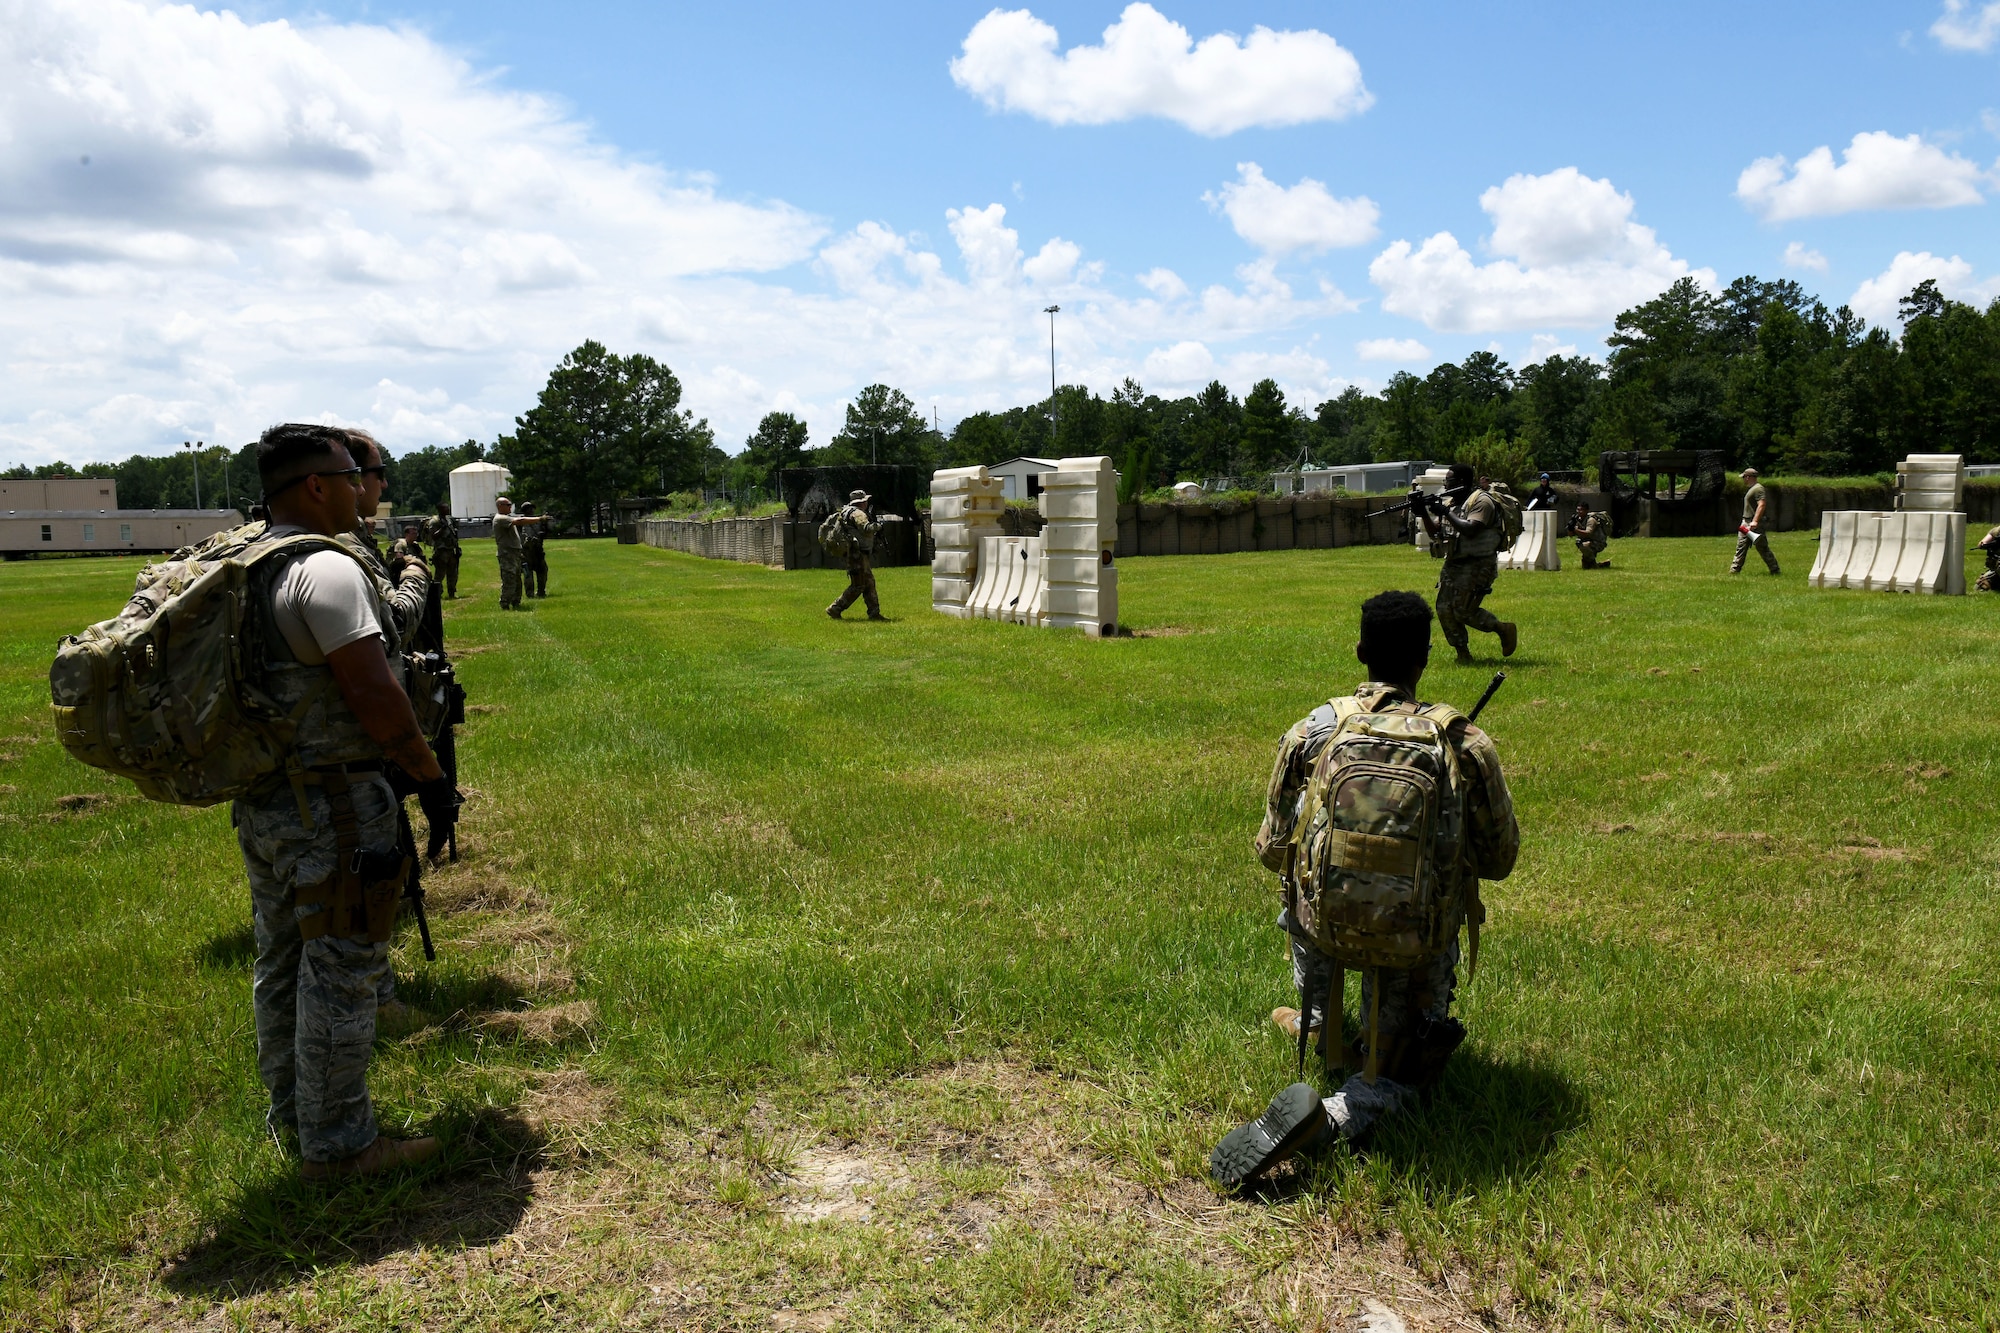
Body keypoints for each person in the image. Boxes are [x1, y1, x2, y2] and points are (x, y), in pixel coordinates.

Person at [1214, 591, 1520, 1186]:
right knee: (1403, 1074)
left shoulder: (1314, 730)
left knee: (1297, 895)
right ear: (1424, 659)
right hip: (1414, 943)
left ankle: (1321, 1018)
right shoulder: (1462, 742)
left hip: (1323, 931)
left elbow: (1272, 849)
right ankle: (1338, 1113)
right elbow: (1500, 859)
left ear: (1360, 653)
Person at [236, 423, 459, 1179]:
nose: (369, 488)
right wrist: (431, 779)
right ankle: (338, 1148)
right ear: (316, 487)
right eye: (353, 472)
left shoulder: (249, 564)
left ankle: (296, 1118)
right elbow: (376, 693)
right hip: (330, 807)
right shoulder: (324, 573)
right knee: (340, 970)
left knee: (284, 961)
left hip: (268, 803)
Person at [1419, 463, 1518, 664]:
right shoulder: (1451, 503)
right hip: (1454, 562)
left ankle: (1503, 628)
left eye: (1450, 481)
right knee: (1444, 608)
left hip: (1479, 564)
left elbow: (1471, 529)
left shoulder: (1482, 502)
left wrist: (1445, 512)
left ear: (1462, 482)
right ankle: (1462, 654)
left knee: (1463, 610)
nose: (1446, 485)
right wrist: (1423, 512)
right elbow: (1435, 532)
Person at [825, 489, 887, 621]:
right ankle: (835, 608)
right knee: (858, 585)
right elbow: (866, 528)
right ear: (862, 502)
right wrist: (878, 526)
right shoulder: (858, 514)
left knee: (869, 582)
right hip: (856, 554)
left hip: (854, 552)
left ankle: (874, 613)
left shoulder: (846, 511)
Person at [491, 496, 543, 610]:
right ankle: (505, 603)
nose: (510, 507)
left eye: (510, 504)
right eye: (508, 505)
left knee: (517, 579)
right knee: (509, 579)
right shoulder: (500, 518)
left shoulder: (506, 517)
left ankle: (516, 602)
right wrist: (539, 519)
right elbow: (520, 521)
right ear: (500, 506)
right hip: (507, 554)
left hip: (515, 553)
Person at [1731, 468, 1780, 575]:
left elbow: (1762, 504)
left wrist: (1755, 521)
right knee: (1741, 547)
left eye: (1744, 477)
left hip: (1752, 523)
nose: (1743, 480)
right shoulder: (1753, 489)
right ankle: (1734, 571)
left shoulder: (1758, 489)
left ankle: (1775, 569)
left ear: (1748, 477)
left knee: (1762, 548)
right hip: (1746, 522)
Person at [423, 502, 461, 599]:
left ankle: (452, 592)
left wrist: (457, 548)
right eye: (445, 508)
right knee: (440, 574)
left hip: (451, 550)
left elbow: (453, 534)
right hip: (441, 551)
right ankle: (437, 594)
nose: (447, 509)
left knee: (453, 573)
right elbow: (433, 536)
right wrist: (442, 529)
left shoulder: (449, 520)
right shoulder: (435, 521)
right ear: (440, 510)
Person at [518, 502, 549, 599]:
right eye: (528, 508)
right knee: (528, 574)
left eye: (532, 508)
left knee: (543, 571)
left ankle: (541, 591)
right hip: (526, 551)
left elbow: (546, 532)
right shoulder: (520, 522)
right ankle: (530, 594)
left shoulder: (538, 521)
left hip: (538, 550)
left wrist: (544, 530)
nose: (531, 510)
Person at [1567, 502, 1611, 569]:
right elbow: (1570, 535)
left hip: (1598, 542)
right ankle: (1603, 564)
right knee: (1586, 567)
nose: (1579, 512)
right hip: (1588, 541)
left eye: (1581, 510)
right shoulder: (1577, 519)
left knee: (1584, 545)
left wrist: (1576, 530)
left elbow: (1588, 533)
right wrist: (1570, 528)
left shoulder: (1591, 520)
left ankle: (1594, 565)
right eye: (1578, 510)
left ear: (1586, 511)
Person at [1976, 524, 1999, 592]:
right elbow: (1981, 543)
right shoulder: (1996, 531)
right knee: (1980, 586)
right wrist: (1986, 544)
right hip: (1996, 566)